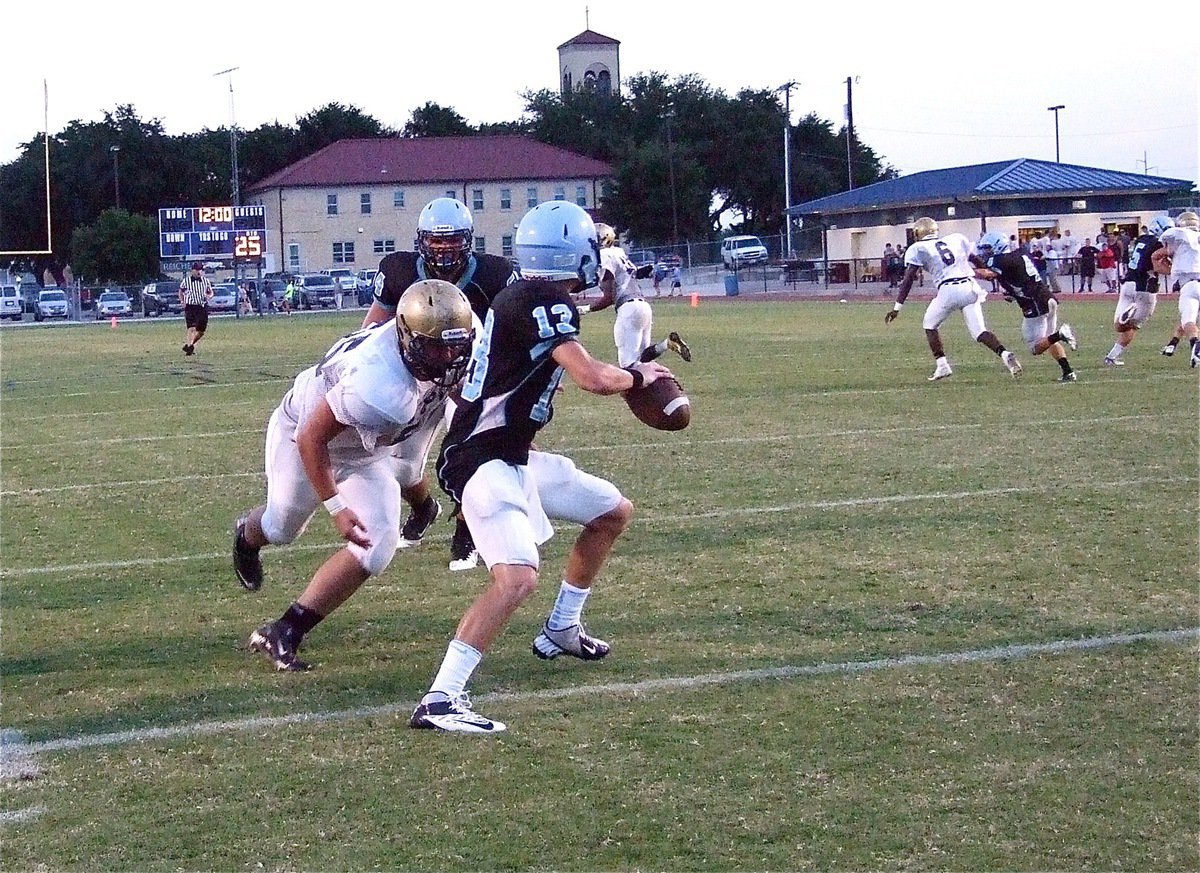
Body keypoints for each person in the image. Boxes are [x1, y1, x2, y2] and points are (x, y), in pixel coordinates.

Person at [408, 201, 674, 734]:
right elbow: (592, 378)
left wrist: (617, 295)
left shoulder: (530, 293)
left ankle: (562, 628)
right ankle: (440, 698)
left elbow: (578, 307)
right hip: (481, 458)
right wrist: (639, 376)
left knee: (611, 512)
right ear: (572, 251)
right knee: (515, 578)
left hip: (511, 454)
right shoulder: (540, 301)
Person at [232, 280, 476, 671]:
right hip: (305, 433)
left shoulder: (464, 333)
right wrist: (335, 506)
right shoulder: (381, 385)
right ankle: (247, 534)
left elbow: (470, 383)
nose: (448, 355)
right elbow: (312, 437)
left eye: (454, 344)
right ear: (409, 339)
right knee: (281, 528)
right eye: (435, 346)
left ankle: (286, 630)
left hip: (366, 449)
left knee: (376, 545)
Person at [361, 197, 516, 572]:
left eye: (451, 240)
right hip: (418, 376)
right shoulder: (398, 271)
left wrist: (519, 374)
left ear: (468, 241)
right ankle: (425, 508)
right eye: (436, 241)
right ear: (421, 241)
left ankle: (467, 532)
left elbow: (512, 330)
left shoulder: (494, 274)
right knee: (401, 467)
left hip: (472, 376)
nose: (444, 249)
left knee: (471, 450)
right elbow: (373, 326)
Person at [884, 217, 1021, 381]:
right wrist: (988, 271)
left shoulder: (918, 248)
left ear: (918, 233)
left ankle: (942, 365)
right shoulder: (956, 239)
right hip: (969, 286)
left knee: (929, 325)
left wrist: (897, 307)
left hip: (948, 289)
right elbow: (975, 260)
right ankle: (1004, 354)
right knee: (979, 332)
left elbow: (907, 280)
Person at [974, 232, 1078, 382]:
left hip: (1034, 303)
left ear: (998, 245)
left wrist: (964, 272)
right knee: (1048, 340)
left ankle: (1061, 334)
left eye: (987, 248)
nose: (985, 252)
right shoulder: (1021, 253)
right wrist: (1011, 292)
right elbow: (1019, 276)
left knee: (1035, 347)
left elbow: (988, 274)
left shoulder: (1001, 259)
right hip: (1047, 298)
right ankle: (1068, 371)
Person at [586, 223, 691, 367]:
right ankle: (667, 344)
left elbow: (609, 297)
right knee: (642, 359)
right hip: (643, 306)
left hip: (628, 309)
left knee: (628, 365)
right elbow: (635, 273)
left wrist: (585, 309)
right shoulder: (618, 252)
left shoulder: (604, 256)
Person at [1102, 216, 1174, 367]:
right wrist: (1177, 271)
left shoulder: (1141, 240)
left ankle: (1111, 357)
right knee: (1133, 326)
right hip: (1145, 286)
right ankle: (1127, 317)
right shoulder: (1159, 244)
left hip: (1128, 283)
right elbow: (1157, 266)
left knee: (1120, 326)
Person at [1153, 211, 1200, 367]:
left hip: (1190, 285)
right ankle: (1176, 344)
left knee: (1188, 320)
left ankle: (1195, 345)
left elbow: (1168, 234)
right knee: (1187, 320)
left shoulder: (1181, 234)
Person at [177, 262, 214, 356]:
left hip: (201, 306)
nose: (199, 272)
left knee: (201, 331)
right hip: (190, 306)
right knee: (191, 328)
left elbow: (211, 292)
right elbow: (181, 291)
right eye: (197, 270)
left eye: (200, 270)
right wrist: (182, 301)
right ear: (192, 270)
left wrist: (208, 297)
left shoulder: (206, 281)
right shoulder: (186, 281)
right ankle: (190, 347)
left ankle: (190, 345)